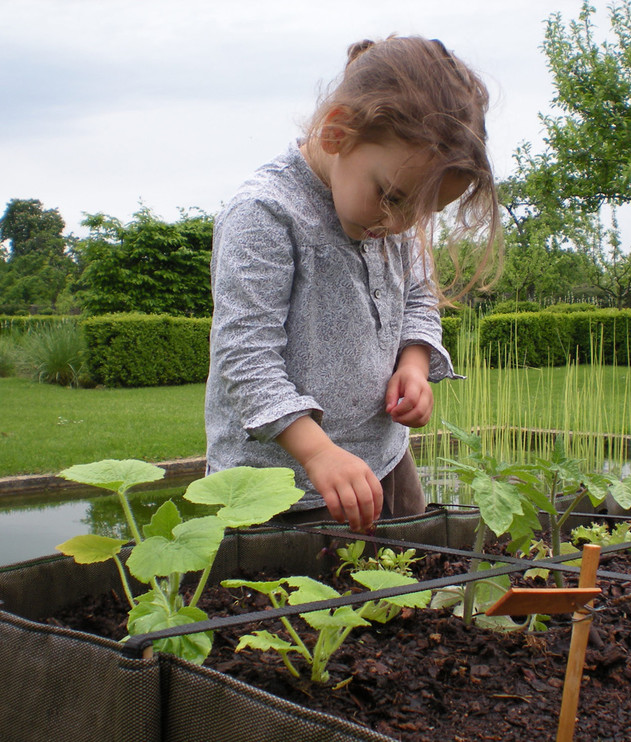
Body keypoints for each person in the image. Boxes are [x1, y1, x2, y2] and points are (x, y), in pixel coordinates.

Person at [204, 36, 501, 533]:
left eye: (424, 212)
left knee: (403, 598)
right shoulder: (265, 213)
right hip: (282, 492)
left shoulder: (388, 214)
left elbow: (420, 297)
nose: (402, 224)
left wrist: (414, 363)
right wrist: (320, 454)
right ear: (338, 131)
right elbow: (245, 357)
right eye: (391, 197)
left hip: (384, 462)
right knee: (301, 606)